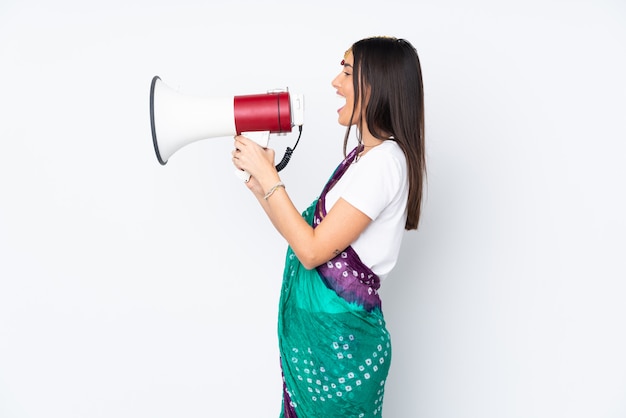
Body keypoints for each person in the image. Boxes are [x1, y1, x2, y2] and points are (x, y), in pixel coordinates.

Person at [232, 36, 425, 418]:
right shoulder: (362, 159)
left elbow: (312, 252)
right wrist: (260, 185)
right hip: (322, 353)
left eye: (347, 72)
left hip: (340, 356)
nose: (336, 82)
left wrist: (270, 175)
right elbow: (304, 233)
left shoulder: (385, 163)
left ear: (378, 84)